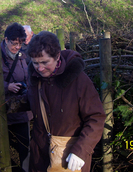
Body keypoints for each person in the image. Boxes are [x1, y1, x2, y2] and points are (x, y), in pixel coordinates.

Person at [11, 31, 106, 172]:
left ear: (57, 56)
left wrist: (81, 150)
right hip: (40, 156)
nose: (40, 68)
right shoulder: (35, 78)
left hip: (69, 156)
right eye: (35, 63)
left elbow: (96, 118)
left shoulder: (79, 80)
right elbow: (34, 101)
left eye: (45, 62)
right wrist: (10, 105)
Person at [0, 23, 33, 172]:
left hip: (22, 112)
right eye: (14, 43)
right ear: (5, 39)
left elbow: (27, 75)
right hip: (4, 113)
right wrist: (7, 86)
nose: (17, 47)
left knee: (25, 147)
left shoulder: (22, 56)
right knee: (4, 149)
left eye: (20, 43)